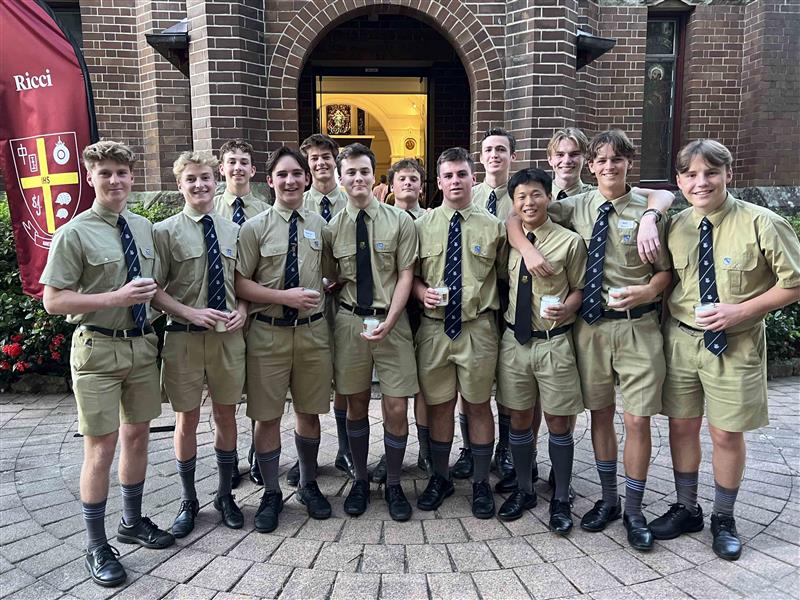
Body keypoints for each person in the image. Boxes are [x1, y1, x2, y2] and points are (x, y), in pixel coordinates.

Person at [507, 126, 675, 499]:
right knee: (598, 414)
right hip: (591, 327)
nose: (609, 166)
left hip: (636, 325)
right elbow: (520, 215)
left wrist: (651, 221)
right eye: (603, 160)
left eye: (617, 159)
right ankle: (607, 497)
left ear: (629, 162)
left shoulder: (644, 209)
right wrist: (528, 250)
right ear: (592, 165)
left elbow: (666, 260)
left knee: (636, 419)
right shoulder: (576, 205)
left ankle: (631, 505)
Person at [652, 140, 800, 560]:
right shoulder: (675, 225)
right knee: (681, 427)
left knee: (725, 432)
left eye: (711, 173)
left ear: (728, 174)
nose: (701, 182)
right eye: (691, 175)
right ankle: (686, 508)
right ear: (679, 181)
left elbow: (794, 283)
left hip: (735, 344)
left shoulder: (762, 222)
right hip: (681, 340)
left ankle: (723, 516)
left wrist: (741, 311)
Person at [41, 141, 174, 588]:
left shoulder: (143, 227)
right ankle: (96, 545)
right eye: (105, 173)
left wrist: (191, 313)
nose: (114, 180)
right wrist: (114, 298)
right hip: (97, 349)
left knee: (137, 437)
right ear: (90, 177)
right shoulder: (74, 233)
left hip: (141, 347)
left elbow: (154, 290)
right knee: (101, 447)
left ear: (132, 177)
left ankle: (131, 522)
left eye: (121, 172)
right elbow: (53, 300)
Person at [235, 147, 333, 532]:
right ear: (270, 180)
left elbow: (332, 272)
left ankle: (308, 484)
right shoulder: (254, 228)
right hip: (268, 334)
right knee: (267, 416)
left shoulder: (321, 226)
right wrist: (283, 297)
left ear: (307, 179)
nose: (290, 181)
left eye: (296, 174)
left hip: (312, 334)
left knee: (309, 412)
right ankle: (271, 492)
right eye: (282, 175)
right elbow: (241, 283)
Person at [151, 151, 248, 537]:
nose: (199, 185)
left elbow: (241, 282)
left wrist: (243, 310)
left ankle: (225, 495)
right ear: (180, 185)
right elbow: (153, 290)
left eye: (205, 177)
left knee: (226, 416)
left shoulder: (233, 230)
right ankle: (188, 499)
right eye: (191, 179)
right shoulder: (164, 232)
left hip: (226, 339)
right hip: (184, 339)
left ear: (216, 180)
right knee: (186, 419)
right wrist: (187, 312)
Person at [322, 143, 419, 521]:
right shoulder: (332, 228)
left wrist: (391, 320)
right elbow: (332, 276)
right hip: (350, 322)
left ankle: (393, 483)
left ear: (373, 175)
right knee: (355, 403)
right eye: (350, 172)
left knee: (396, 405)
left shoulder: (400, 221)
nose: (358, 178)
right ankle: (361, 479)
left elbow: (406, 275)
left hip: (392, 321)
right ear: (340, 178)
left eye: (364, 171)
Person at [414, 147, 507, 519]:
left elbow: (505, 278)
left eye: (462, 174)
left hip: (477, 328)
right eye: (448, 176)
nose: (455, 181)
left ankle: (481, 482)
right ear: (438, 183)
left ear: (473, 178)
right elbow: (410, 276)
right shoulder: (421, 226)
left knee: (478, 404)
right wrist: (422, 292)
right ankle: (441, 477)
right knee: (439, 405)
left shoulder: (494, 226)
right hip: (435, 329)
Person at [495, 168, 586, 531]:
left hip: (553, 342)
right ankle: (524, 488)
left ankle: (561, 497)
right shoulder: (509, 239)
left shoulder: (569, 242)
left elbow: (580, 288)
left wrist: (568, 307)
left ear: (548, 197)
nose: (529, 202)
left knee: (558, 421)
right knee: (519, 418)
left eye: (536, 194)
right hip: (514, 342)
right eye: (521, 196)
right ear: (513, 202)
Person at [455, 127, 516, 488]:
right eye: (489, 149)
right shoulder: (468, 194)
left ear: (512, 156)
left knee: (507, 383)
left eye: (501, 150)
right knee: (472, 386)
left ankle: (506, 448)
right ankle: (469, 448)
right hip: (476, 302)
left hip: (514, 300)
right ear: (480, 157)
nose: (494, 155)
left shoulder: (522, 194)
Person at [298, 133, 356, 484]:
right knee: (310, 380)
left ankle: (346, 449)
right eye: (314, 158)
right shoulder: (298, 202)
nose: (320, 163)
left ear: (336, 160)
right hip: (309, 307)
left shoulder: (352, 199)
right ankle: (308, 457)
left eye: (326, 157)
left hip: (346, 302)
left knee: (345, 377)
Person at [213, 139, 270, 486]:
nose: (237, 167)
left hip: (257, 313)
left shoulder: (265, 211)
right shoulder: (209, 208)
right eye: (231, 161)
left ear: (253, 169)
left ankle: (259, 453)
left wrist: (246, 306)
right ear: (221, 168)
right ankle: (228, 456)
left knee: (259, 388)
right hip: (221, 317)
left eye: (243, 162)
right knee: (225, 392)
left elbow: (264, 269)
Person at [387, 158, 432, 474]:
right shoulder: (382, 219)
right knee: (395, 390)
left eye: (414, 179)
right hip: (390, 309)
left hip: (425, 310)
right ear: (391, 185)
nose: (408, 183)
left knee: (426, 384)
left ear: (421, 186)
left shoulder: (430, 220)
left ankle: (426, 450)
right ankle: (392, 453)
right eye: (402, 178)